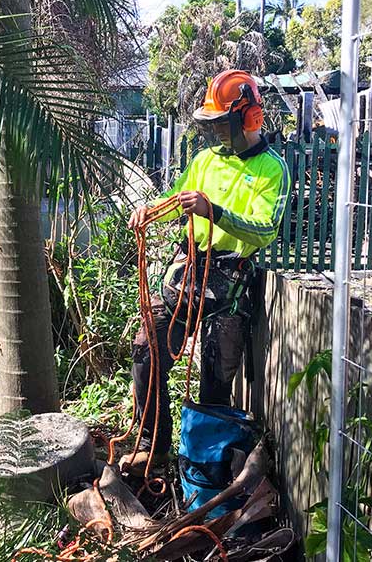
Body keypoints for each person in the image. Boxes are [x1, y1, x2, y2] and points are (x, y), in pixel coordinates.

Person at [122, 69, 291, 473]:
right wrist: (151, 210)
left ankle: (203, 468)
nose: (217, 134)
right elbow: (175, 196)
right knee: (148, 349)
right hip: (187, 272)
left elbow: (266, 229)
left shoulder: (273, 169)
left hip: (230, 283)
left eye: (222, 124)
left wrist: (213, 211)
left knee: (215, 381)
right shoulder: (204, 161)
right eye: (212, 125)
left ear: (248, 118)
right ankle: (153, 445)